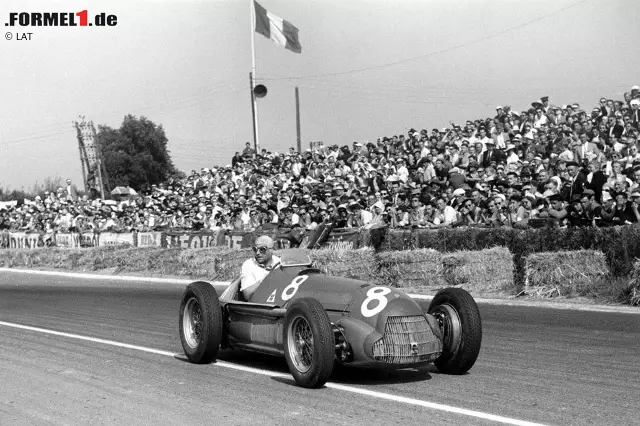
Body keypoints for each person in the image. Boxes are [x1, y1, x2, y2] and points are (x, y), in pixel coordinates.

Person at [240, 235, 281, 300]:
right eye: (255, 249)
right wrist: (264, 279)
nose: (258, 253)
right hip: (260, 303)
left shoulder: (279, 262)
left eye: (262, 249)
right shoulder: (249, 265)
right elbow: (247, 295)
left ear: (271, 250)